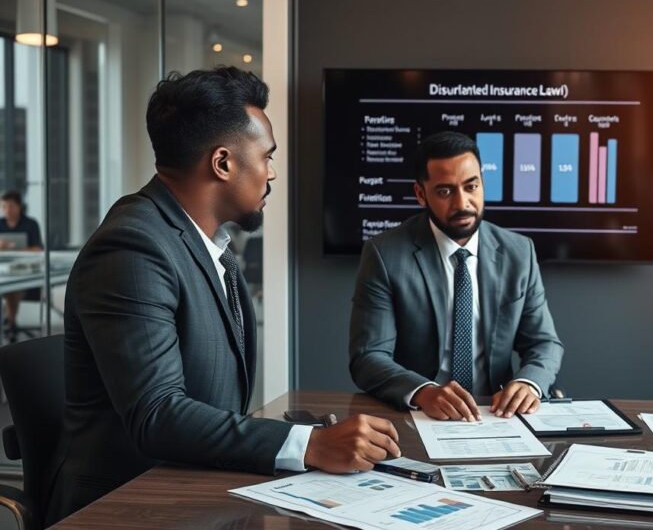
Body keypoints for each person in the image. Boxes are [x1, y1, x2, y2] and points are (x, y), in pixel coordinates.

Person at [47, 68, 401, 524]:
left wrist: (304, 436)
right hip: (128, 504)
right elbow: (157, 415)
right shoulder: (133, 247)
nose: (272, 172)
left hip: (195, 485)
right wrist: (309, 445)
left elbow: (209, 405)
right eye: (266, 156)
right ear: (223, 163)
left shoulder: (202, 243)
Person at [349, 131, 564, 421]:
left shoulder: (519, 252)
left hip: (498, 414)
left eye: (471, 186)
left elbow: (543, 343)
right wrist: (423, 391)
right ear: (420, 194)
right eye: (445, 191)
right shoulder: (384, 255)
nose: (462, 202)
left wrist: (528, 383)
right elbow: (368, 357)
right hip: (422, 414)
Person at [0, 191, 45, 335]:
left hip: (26, 270)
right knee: (9, 286)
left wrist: (14, 247)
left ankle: (10, 322)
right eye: (4, 206)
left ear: (19, 206)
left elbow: (38, 249)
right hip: (2, 268)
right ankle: (10, 322)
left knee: (12, 287)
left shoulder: (31, 224)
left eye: (11, 206)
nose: (7, 210)